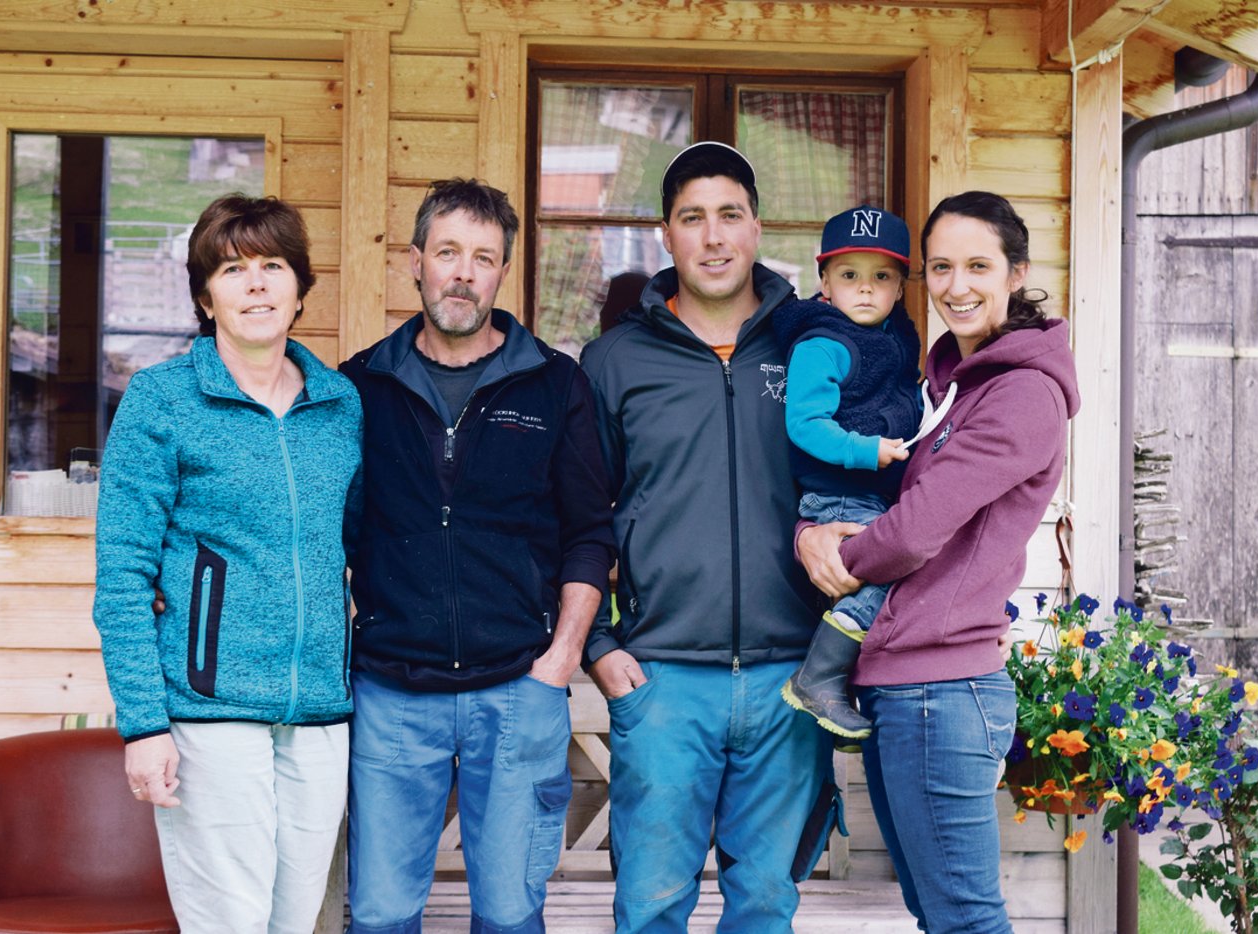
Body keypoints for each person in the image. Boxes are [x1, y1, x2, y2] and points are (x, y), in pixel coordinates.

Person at [798, 190, 1081, 933]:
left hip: (943, 687)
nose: (957, 285)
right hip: (907, 682)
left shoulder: (1020, 393)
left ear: (1016, 272)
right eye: (942, 267)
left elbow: (918, 527)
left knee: (962, 919)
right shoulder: (954, 384)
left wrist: (831, 548)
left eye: (979, 265)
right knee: (937, 913)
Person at [339, 178, 616, 934]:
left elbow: (590, 532)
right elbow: (322, 530)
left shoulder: (555, 384)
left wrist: (559, 660)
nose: (463, 272)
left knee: (509, 913)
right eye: (448, 252)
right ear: (416, 261)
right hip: (393, 694)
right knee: (381, 914)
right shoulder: (359, 387)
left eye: (483, 258)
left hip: (517, 691)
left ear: (503, 273)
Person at [580, 142, 839, 933]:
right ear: (666, 234)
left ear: (757, 227)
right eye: (694, 219)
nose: (714, 236)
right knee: (652, 906)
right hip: (661, 682)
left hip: (790, 678)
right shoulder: (613, 362)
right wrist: (598, 645)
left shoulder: (814, 349)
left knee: (765, 905)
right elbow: (578, 514)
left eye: (730, 215)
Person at [93, 194, 362, 933]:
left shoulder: (340, 407)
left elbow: (364, 547)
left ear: (300, 290)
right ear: (204, 295)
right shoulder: (161, 401)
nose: (255, 285)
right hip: (210, 717)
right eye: (233, 268)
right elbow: (122, 579)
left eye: (273, 266)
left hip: (318, 717)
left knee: (296, 921)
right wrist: (145, 727)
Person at [774, 205, 922, 741]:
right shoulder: (822, 343)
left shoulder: (894, 338)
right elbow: (804, 423)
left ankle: (836, 693)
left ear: (901, 287)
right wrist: (865, 450)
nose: (865, 289)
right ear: (825, 282)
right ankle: (819, 678)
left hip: (869, 494)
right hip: (838, 497)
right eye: (849, 276)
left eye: (881, 277)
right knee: (883, 576)